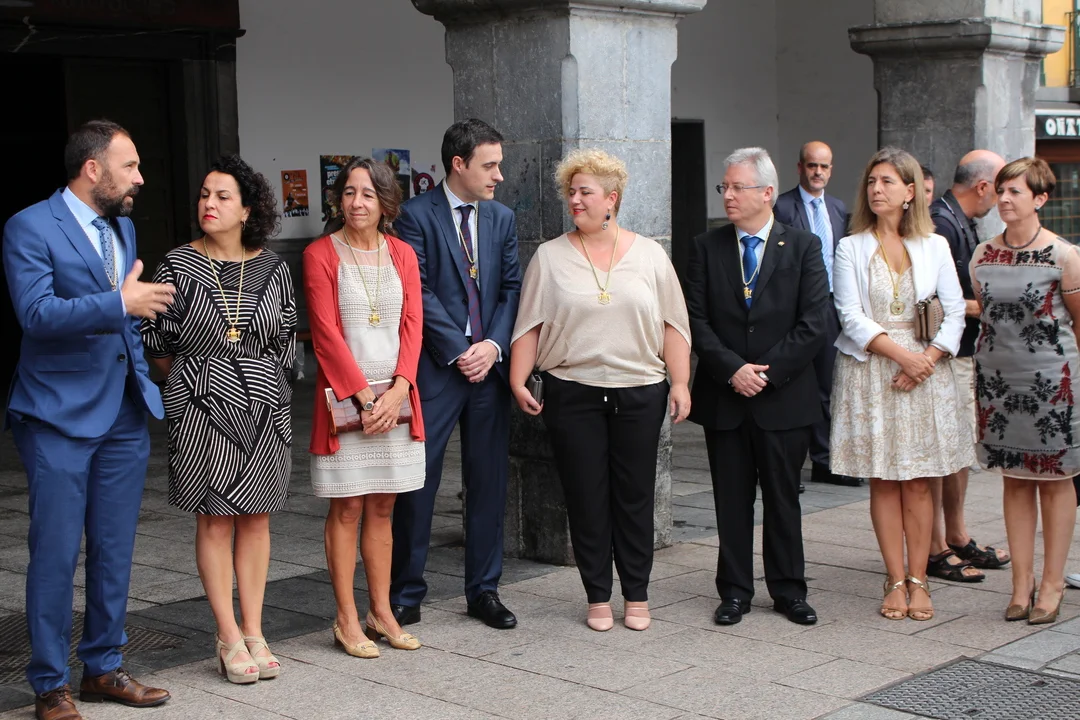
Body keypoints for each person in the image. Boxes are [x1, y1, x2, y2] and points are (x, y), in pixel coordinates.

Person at [3, 120, 174, 719]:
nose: (140, 178)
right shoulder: (29, 226)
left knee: (114, 549)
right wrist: (120, 301)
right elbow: (37, 314)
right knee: (55, 553)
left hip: (122, 410)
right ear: (92, 169)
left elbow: (124, 319)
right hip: (56, 415)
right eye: (130, 166)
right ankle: (50, 685)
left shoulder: (122, 226)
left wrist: (141, 359)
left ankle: (103, 667)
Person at [509, 149, 691, 632]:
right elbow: (530, 324)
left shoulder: (650, 254)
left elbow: (673, 323)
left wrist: (680, 382)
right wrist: (517, 379)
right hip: (572, 392)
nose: (575, 200)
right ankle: (597, 596)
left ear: (611, 199)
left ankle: (637, 594)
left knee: (635, 497)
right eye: (570, 191)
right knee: (586, 498)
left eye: (585, 192)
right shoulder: (550, 256)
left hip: (640, 390)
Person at [141, 155, 296, 683]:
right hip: (201, 407)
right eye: (205, 194)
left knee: (256, 518)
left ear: (247, 209)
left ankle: (254, 630)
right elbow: (157, 343)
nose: (209, 203)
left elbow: (286, 343)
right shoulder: (177, 265)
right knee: (214, 519)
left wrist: (260, 387)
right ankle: (228, 635)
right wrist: (200, 384)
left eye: (222, 196)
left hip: (265, 410)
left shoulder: (273, 268)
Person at [685, 147, 829, 627]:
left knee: (783, 498)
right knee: (731, 500)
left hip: (784, 397)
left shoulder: (803, 246)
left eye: (737, 187)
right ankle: (734, 591)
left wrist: (765, 373)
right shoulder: (707, 247)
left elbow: (814, 322)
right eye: (724, 186)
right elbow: (696, 320)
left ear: (767, 192)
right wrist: (733, 370)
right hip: (726, 396)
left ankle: (789, 590)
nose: (727, 195)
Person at [390, 119, 522, 629]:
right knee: (418, 483)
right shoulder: (414, 215)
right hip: (436, 369)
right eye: (490, 165)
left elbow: (512, 288)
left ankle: (484, 591)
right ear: (458, 164)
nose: (499, 176)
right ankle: (406, 593)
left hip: (489, 369)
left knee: (488, 482)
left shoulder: (502, 218)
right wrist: (459, 349)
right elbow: (416, 289)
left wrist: (491, 346)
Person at [831, 147, 973, 622]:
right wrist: (903, 356)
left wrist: (926, 359)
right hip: (874, 369)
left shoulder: (935, 245)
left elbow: (955, 310)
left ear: (910, 191)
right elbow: (850, 315)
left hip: (925, 373)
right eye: (872, 182)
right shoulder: (850, 246)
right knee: (884, 480)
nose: (876, 189)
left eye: (887, 182)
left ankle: (919, 578)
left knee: (918, 481)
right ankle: (894, 579)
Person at [305, 157, 425, 655]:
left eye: (369, 194)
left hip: (395, 399)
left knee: (383, 505)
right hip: (346, 399)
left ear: (386, 203)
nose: (357, 202)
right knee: (348, 505)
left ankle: (381, 612)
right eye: (350, 192)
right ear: (339, 200)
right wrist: (365, 396)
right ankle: (347, 618)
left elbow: (413, 325)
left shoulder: (403, 254)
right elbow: (324, 333)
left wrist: (399, 389)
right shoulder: (319, 253)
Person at [971, 157, 1080, 625]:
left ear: (1040, 199)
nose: (1004, 199)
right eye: (1001, 190)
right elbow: (988, 315)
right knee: (1014, 479)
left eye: (1015, 191)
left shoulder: (1063, 255)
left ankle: (1052, 583)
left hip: (1052, 383)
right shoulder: (983, 254)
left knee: (1055, 480)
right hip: (997, 382)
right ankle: (1021, 583)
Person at [926, 150, 1010, 584]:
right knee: (945, 452)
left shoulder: (959, 220)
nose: (1002, 199)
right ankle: (937, 545)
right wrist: (989, 306)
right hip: (945, 354)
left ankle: (956, 535)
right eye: (1001, 189)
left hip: (961, 352)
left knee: (959, 450)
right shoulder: (941, 223)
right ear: (983, 187)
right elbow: (933, 301)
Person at [774, 141, 859, 488]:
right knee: (790, 384)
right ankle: (785, 467)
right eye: (812, 165)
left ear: (831, 169)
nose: (818, 172)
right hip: (794, 308)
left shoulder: (837, 208)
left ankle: (824, 460)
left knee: (827, 385)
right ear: (800, 168)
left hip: (830, 305)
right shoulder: (782, 207)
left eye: (824, 166)